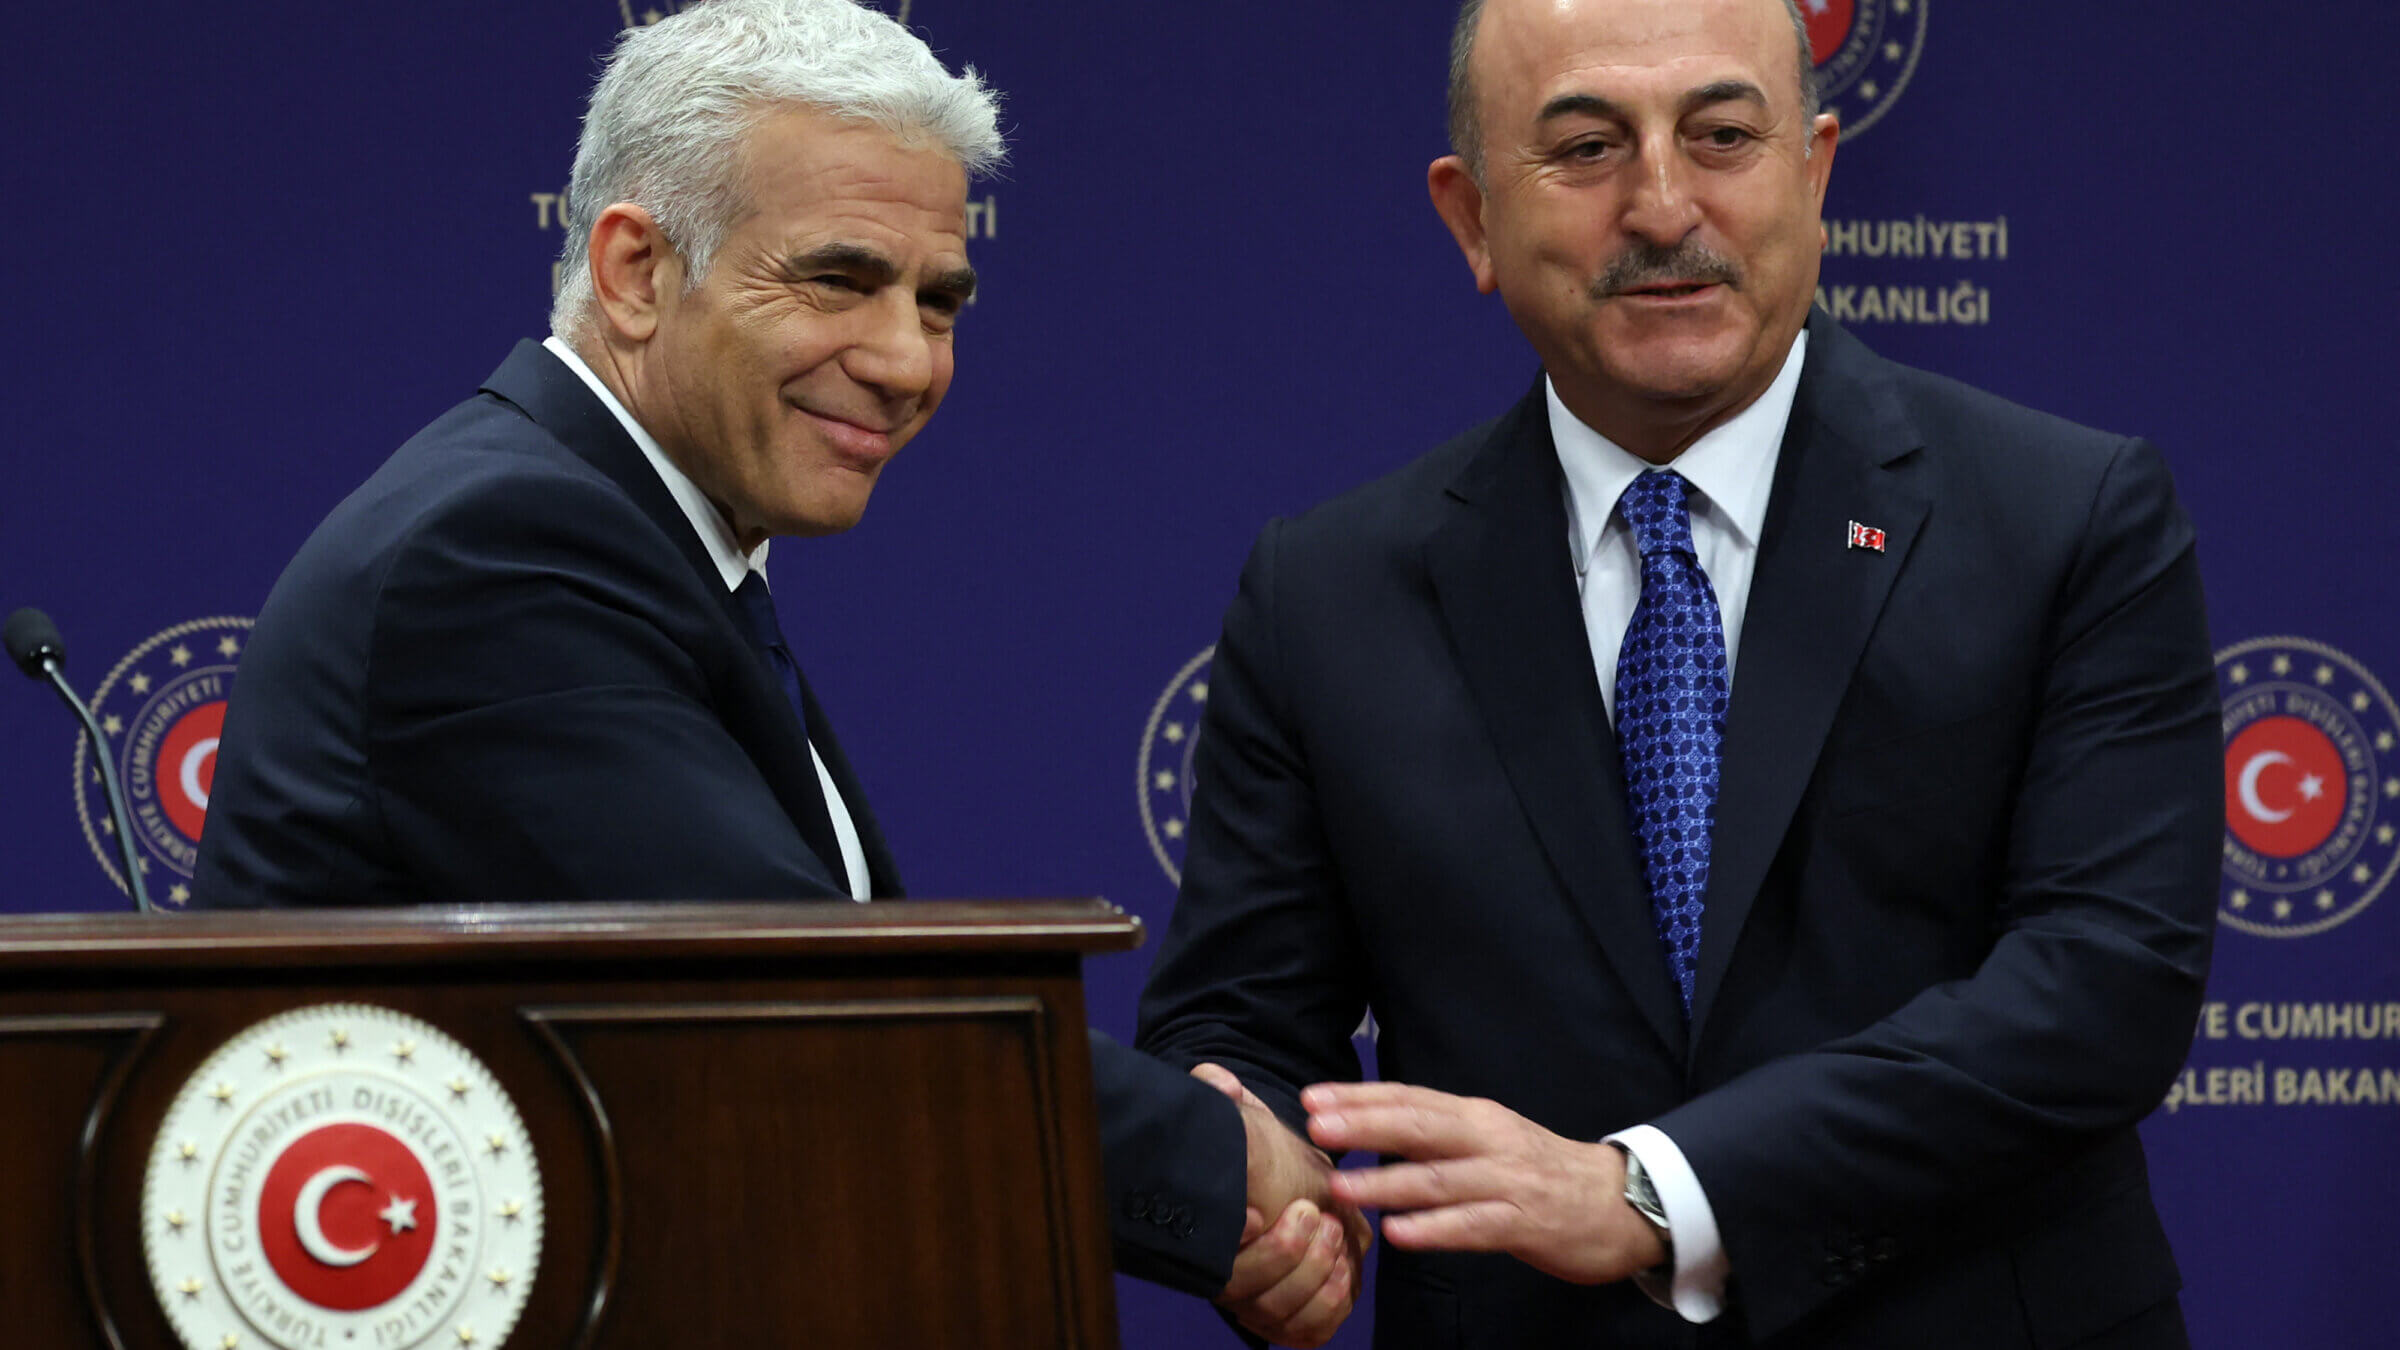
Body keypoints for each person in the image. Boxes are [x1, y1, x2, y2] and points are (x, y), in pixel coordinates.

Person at [188, 0, 1359, 1334]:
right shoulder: (501, 550)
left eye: (939, 299)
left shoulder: (631, 528)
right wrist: (1225, 1173)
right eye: (838, 280)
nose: (908, 359)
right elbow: (810, 1018)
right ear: (633, 270)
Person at [1135, 0, 2221, 1345]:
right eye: (1586, 148)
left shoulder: (2067, 518)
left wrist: (1653, 1190)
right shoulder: (1327, 590)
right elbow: (1238, 1015)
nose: (1661, 205)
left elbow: (2103, 987)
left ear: (1815, 174)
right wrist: (1260, 1202)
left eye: (1720, 135)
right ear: (1471, 218)